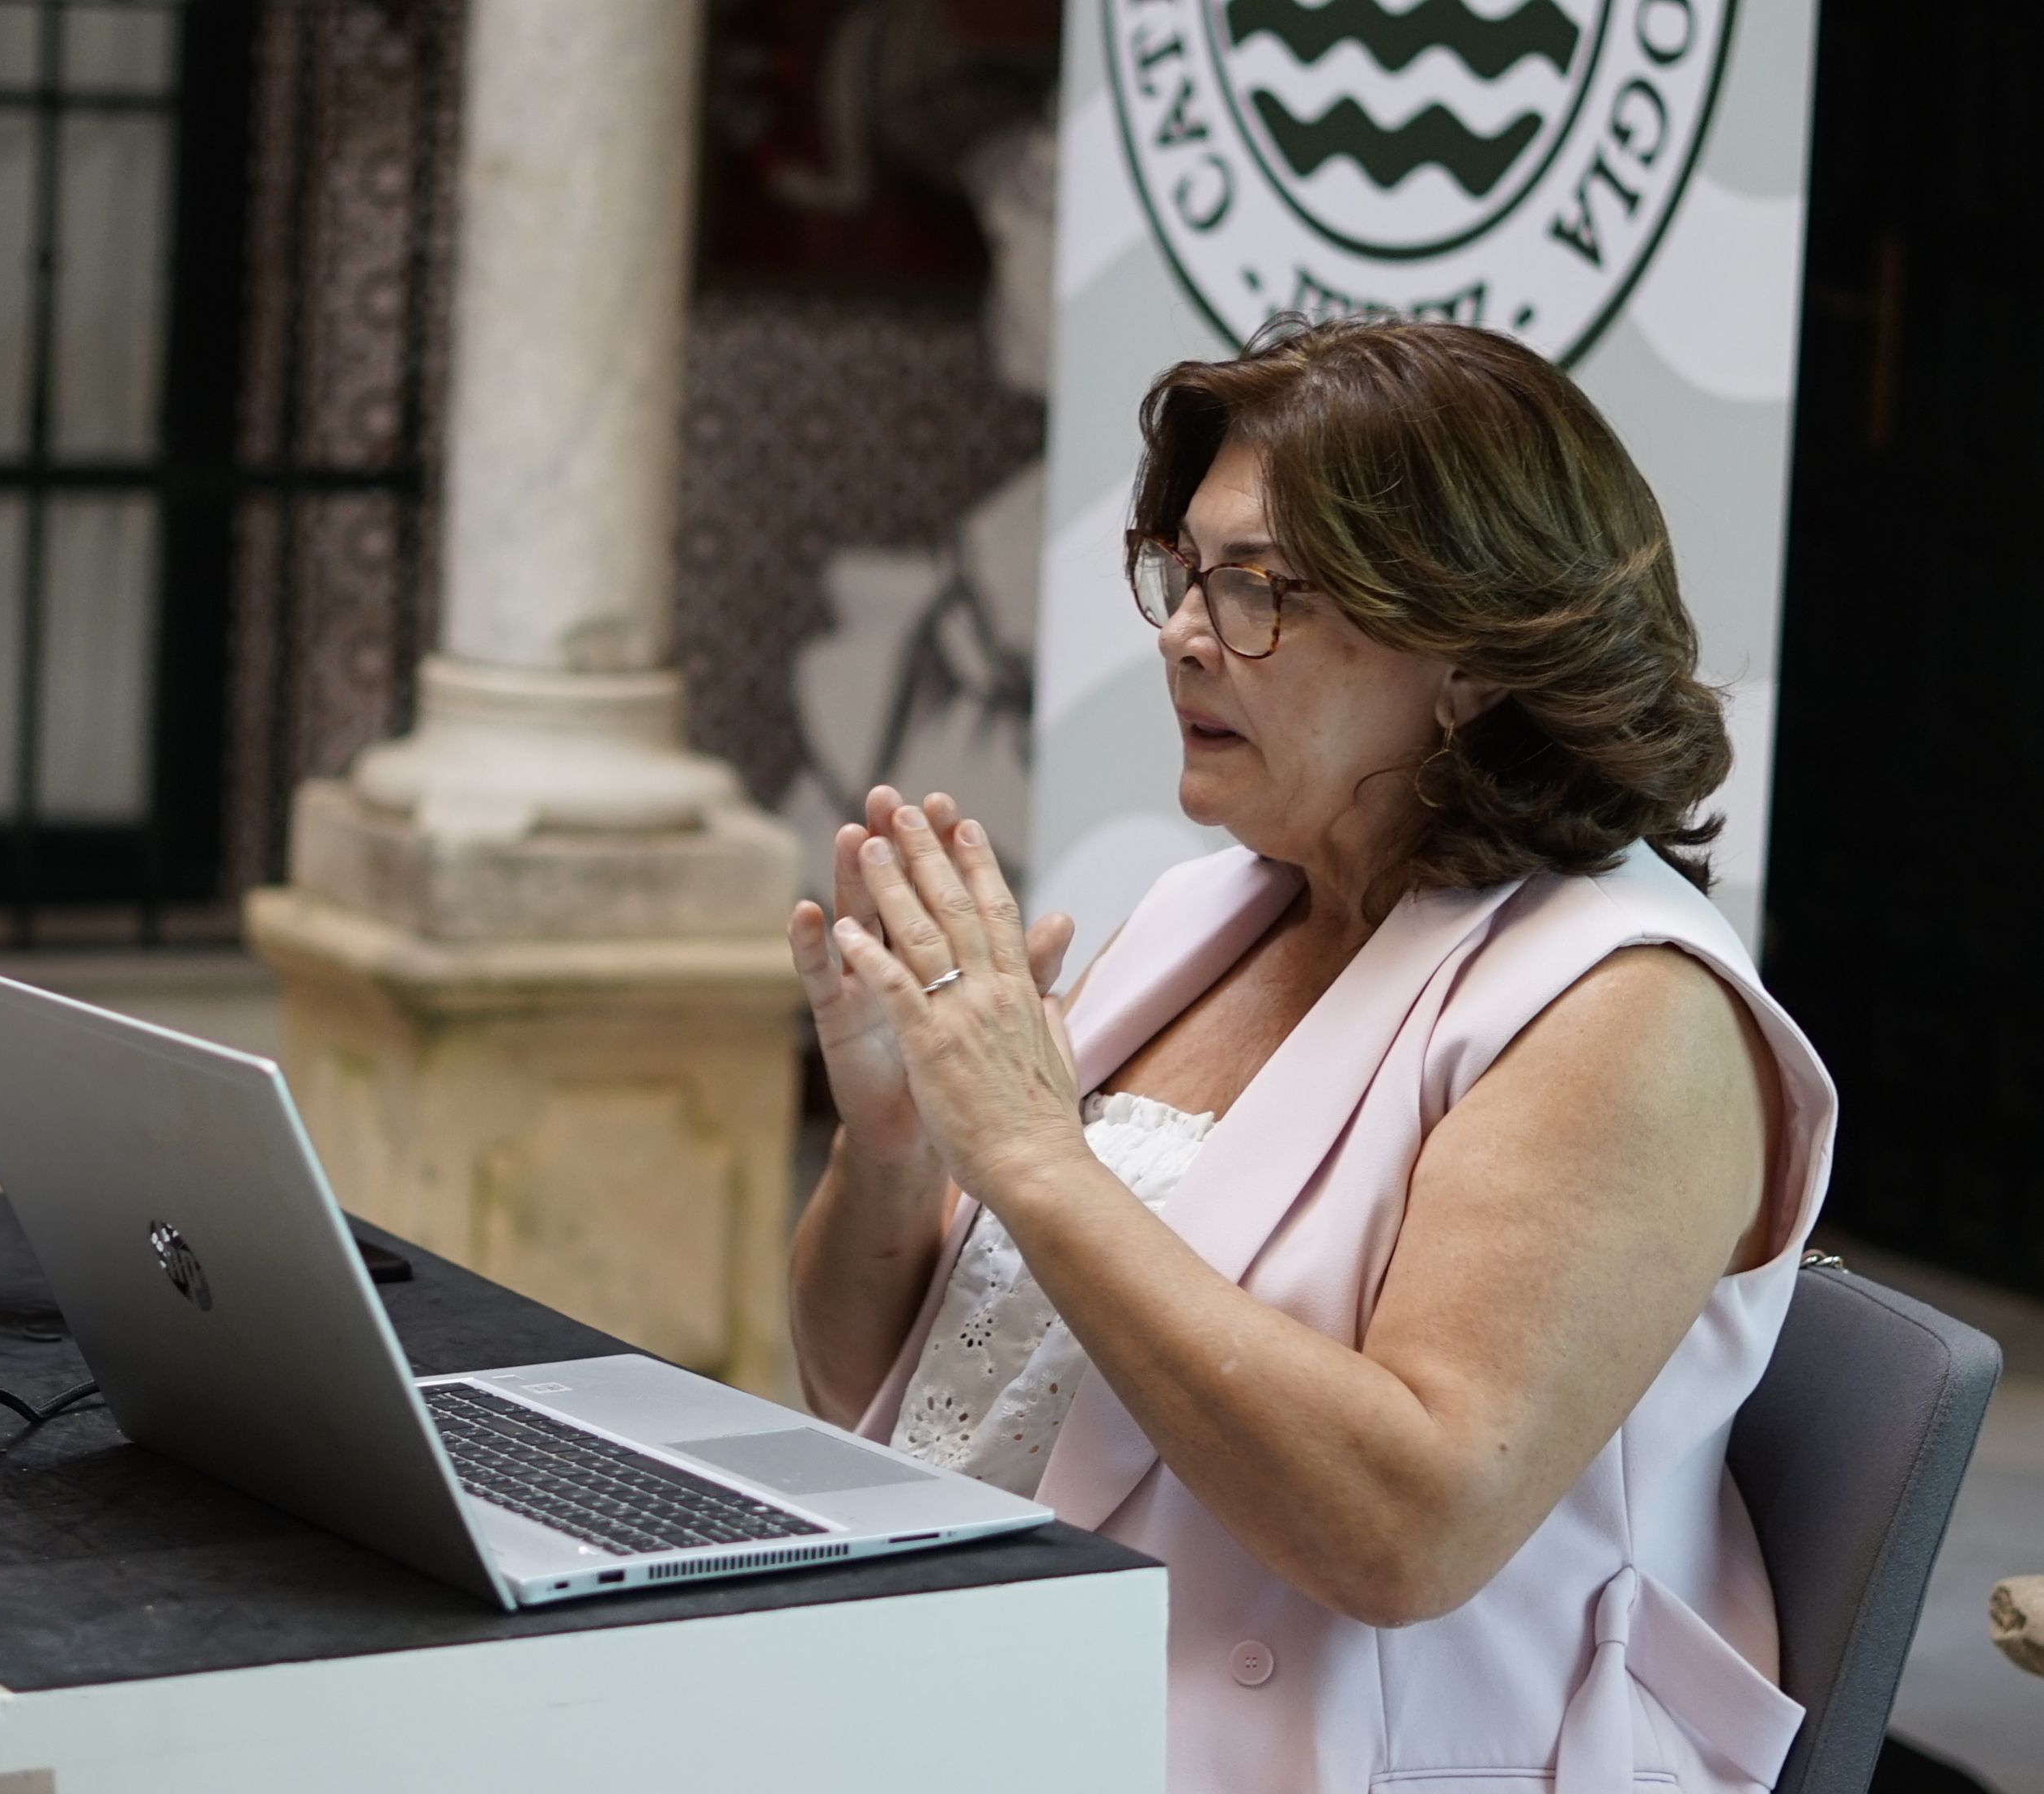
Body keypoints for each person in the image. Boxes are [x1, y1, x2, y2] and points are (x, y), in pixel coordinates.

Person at [785, 316, 1834, 1792]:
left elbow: (1406, 1529)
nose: (1183, 633)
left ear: (1475, 655)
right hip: (996, 1690)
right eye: (1186, 573)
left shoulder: (1631, 1012)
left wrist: (1029, 1155)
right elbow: (871, 1389)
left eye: (1260, 588)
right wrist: (896, 1143)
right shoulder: (1206, 910)